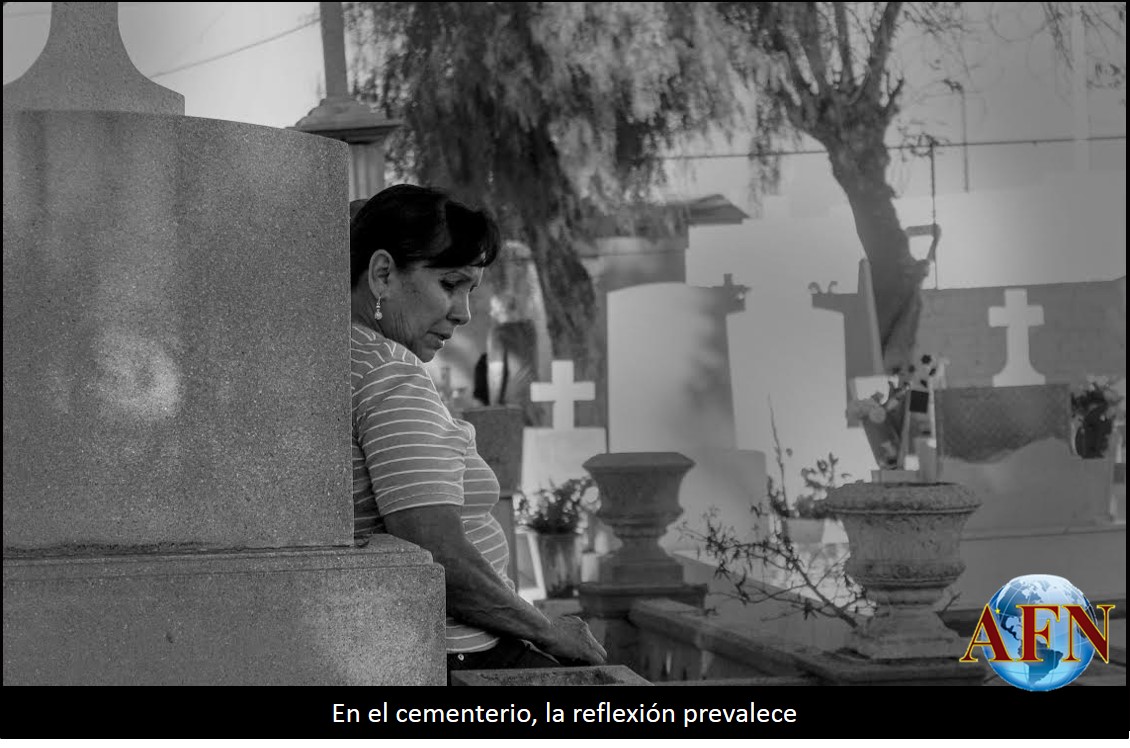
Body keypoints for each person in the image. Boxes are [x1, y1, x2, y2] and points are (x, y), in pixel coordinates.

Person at [349, 184, 607, 680]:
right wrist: (547, 631)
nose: (463, 312)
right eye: (451, 283)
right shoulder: (389, 372)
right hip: (461, 654)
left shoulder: (341, 355)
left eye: (470, 289)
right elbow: (437, 553)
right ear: (382, 273)